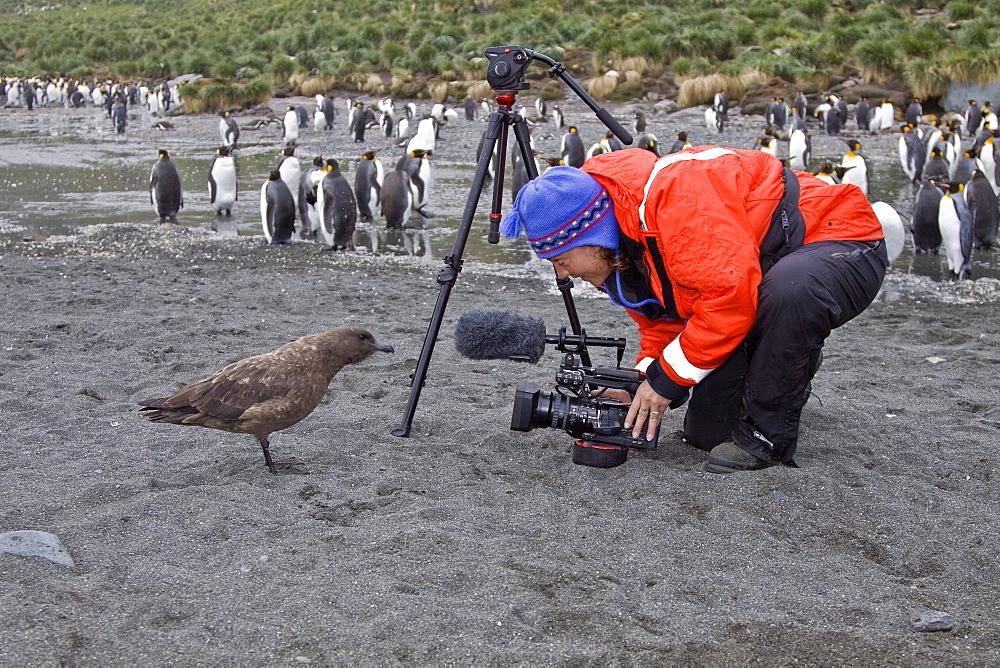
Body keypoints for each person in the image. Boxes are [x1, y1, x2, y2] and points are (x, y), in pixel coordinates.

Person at [500, 146, 887, 473]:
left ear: (591, 235)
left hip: (837, 238)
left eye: (562, 258)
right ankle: (780, 364)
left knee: (790, 291)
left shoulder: (674, 201)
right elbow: (665, 323)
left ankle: (769, 437)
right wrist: (639, 382)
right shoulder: (621, 250)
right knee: (706, 436)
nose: (561, 273)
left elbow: (730, 298)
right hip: (755, 278)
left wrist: (666, 381)